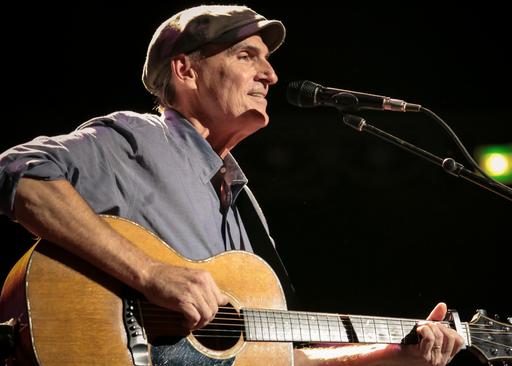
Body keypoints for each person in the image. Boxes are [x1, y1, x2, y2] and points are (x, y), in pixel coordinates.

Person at [0, 5, 464, 365]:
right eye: (247, 56)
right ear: (186, 70)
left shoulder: (242, 203)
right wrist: (150, 275)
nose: (271, 74)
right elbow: (16, 173)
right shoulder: (137, 139)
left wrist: (396, 354)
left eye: (268, 60)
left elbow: (274, 356)